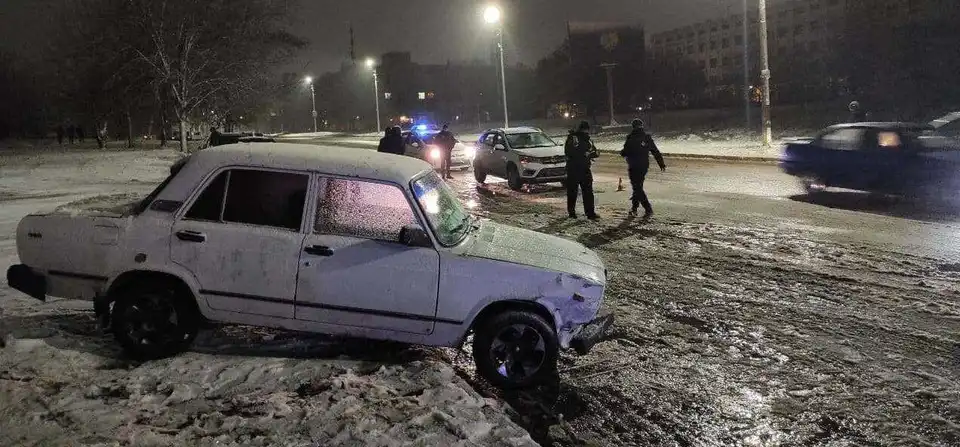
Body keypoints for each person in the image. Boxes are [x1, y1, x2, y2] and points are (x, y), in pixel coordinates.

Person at [620, 119, 666, 217]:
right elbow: (655, 151)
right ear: (642, 126)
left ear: (633, 127)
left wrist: (622, 153)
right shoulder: (646, 138)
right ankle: (634, 208)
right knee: (638, 186)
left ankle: (647, 208)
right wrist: (661, 163)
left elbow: (625, 152)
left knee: (637, 187)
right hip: (643, 166)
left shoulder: (630, 138)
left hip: (633, 166)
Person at [565, 121, 599, 220]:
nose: (586, 132)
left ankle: (588, 213)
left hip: (582, 169)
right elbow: (569, 152)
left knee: (586, 192)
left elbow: (595, 152)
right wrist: (584, 154)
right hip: (575, 168)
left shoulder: (587, 139)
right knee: (576, 192)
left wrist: (590, 154)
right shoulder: (574, 138)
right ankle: (574, 212)